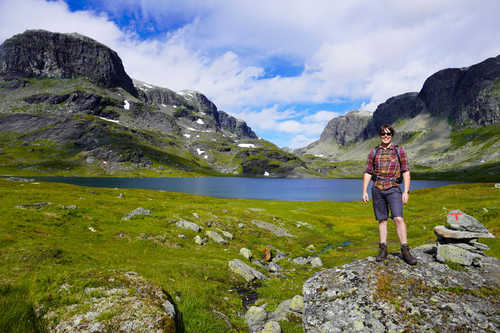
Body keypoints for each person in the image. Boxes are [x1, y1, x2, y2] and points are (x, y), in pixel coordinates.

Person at [362, 124, 417, 265]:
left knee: (398, 218)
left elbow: (405, 171)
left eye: (388, 134)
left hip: (394, 188)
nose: (385, 136)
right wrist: (364, 191)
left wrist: (406, 191)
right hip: (377, 188)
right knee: (382, 219)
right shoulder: (373, 152)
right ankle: (383, 249)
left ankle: (405, 250)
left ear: (392, 135)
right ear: (379, 135)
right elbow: (368, 172)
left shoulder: (399, 151)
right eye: (383, 134)